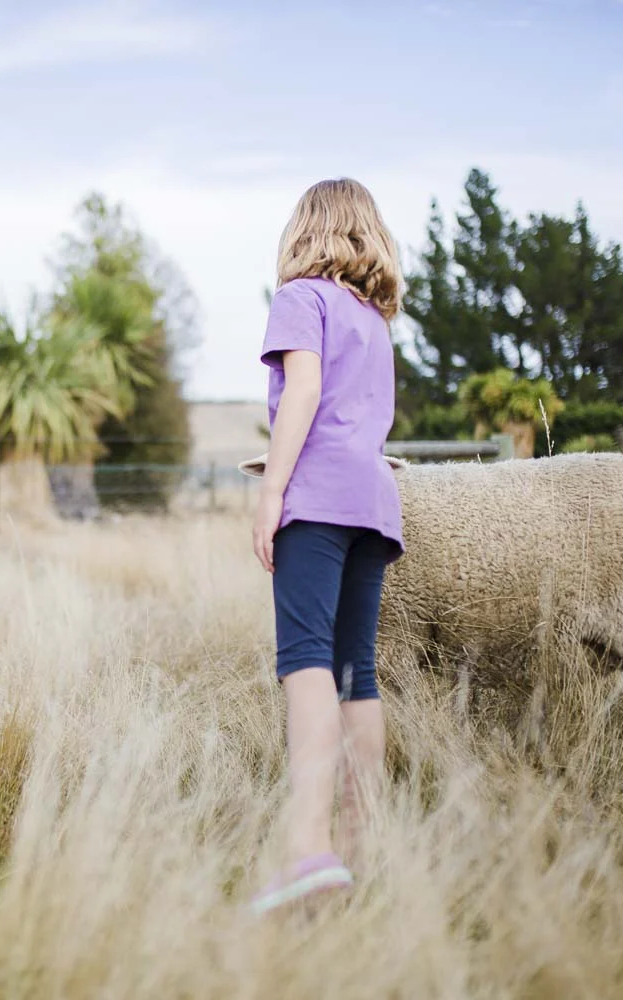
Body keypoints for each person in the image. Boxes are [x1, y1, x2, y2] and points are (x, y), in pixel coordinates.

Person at [248, 180, 406, 915]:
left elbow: (303, 393)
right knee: (356, 676)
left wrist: (272, 491)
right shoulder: (374, 320)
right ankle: (356, 852)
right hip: (375, 503)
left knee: (305, 663)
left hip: (317, 497)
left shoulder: (300, 298)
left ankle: (307, 850)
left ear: (304, 229)